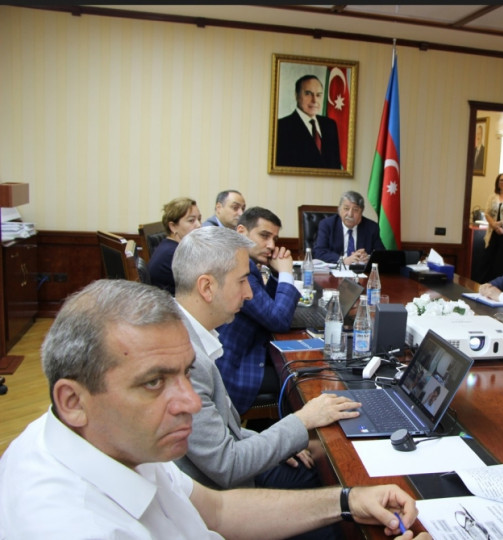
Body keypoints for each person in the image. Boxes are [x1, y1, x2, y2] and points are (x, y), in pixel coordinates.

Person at [0, 279, 426, 539]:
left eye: (187, 372)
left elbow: (217, 511)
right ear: (73, 401)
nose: (189, 402)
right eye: (153, 382)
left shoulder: (113, 442)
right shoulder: (73, 525)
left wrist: (350, 500)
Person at [172, 227, 362, 494]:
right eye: (242, 281)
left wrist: (280, 440)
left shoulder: (184, 331)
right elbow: (228, 466)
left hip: (232, 466)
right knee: (333, 479)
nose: (249, 294)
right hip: (225, 495)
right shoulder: (182, 361)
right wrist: (302, 420)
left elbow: (226, 434)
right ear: (207, 287)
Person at [216, 207, 300, 415]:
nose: (271, 245)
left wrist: (275, 274)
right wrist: (286, 273)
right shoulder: (236, 268)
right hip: (236, 371)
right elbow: (278, 320)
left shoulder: (243, 262)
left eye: (274, 238)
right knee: (298, 379)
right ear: (241, 232)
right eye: (264, 236)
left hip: (243, 353)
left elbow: (266, 305)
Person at [276, 75, 342, 169]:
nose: (314, 100)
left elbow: (335, 167)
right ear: (297, 95)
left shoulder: (330, 125)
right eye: (308, 94)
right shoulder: (282, 127)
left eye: (318, 95)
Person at [148, 196, 202, 295]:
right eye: (191, 220)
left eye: (199, 219)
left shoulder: (171, 247)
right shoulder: (173, 253)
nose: (199, 225)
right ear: (173, 226)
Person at [314, 190, 386, 265]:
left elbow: (381, 255)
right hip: (336, 270)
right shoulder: (327, 225)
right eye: (346, 208)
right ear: (339, 210)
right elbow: (319, 252)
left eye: (355, 210)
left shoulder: (371, 227)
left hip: (360, 271)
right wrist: (343, 260)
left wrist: (368, 258)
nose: (350, 214)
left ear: (361, 212)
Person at [479, 173, 503, 282]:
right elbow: (487, 213)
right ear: (497, 183)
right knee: (486, 263)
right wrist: (495, 226)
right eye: (501, 180)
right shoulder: (492, 197)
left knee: (501, 266)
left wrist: (500, 224)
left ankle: (498, 288)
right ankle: (484, 288)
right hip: (493, 234)